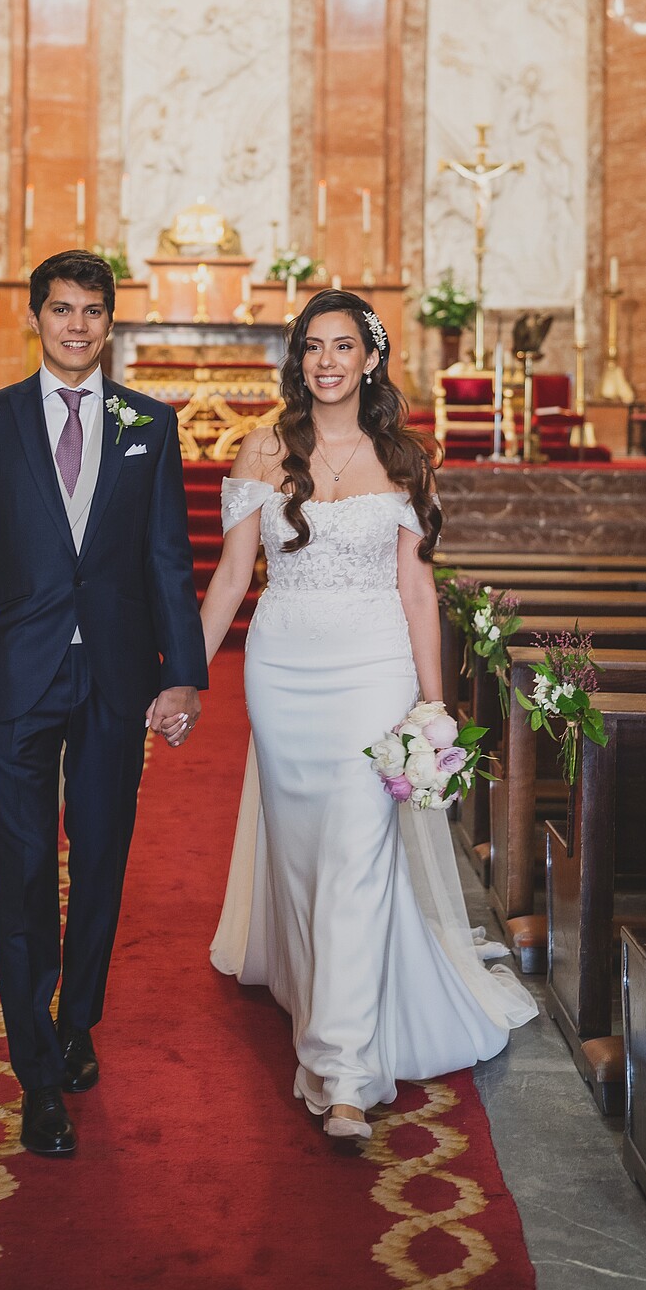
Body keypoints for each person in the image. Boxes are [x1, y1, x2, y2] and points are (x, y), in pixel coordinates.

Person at [203, 290, 535, 1143]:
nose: (326, 361)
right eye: (313, 346)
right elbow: (234, 579)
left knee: (357, 850)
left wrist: (434, 701)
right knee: (308, 856)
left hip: (373, 669)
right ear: (298, 359)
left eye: (343, 346)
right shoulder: (264, 449)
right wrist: (182, 677)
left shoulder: (404, 459)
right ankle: (318, 990)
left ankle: (343, 1071)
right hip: (282, 674)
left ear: (370, 359)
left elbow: (417, 589)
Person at [0, 250, 207, 1157]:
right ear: (36, 319)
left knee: (101, 858)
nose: (77, 326)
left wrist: (183, 673)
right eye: (61, 310)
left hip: (116, 677)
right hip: (15, 675)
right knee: (21, 875)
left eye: (93, 311)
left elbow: (169, 559)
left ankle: (78, 1013)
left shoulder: (151, 423)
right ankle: (37, 1072)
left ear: (110, 322)